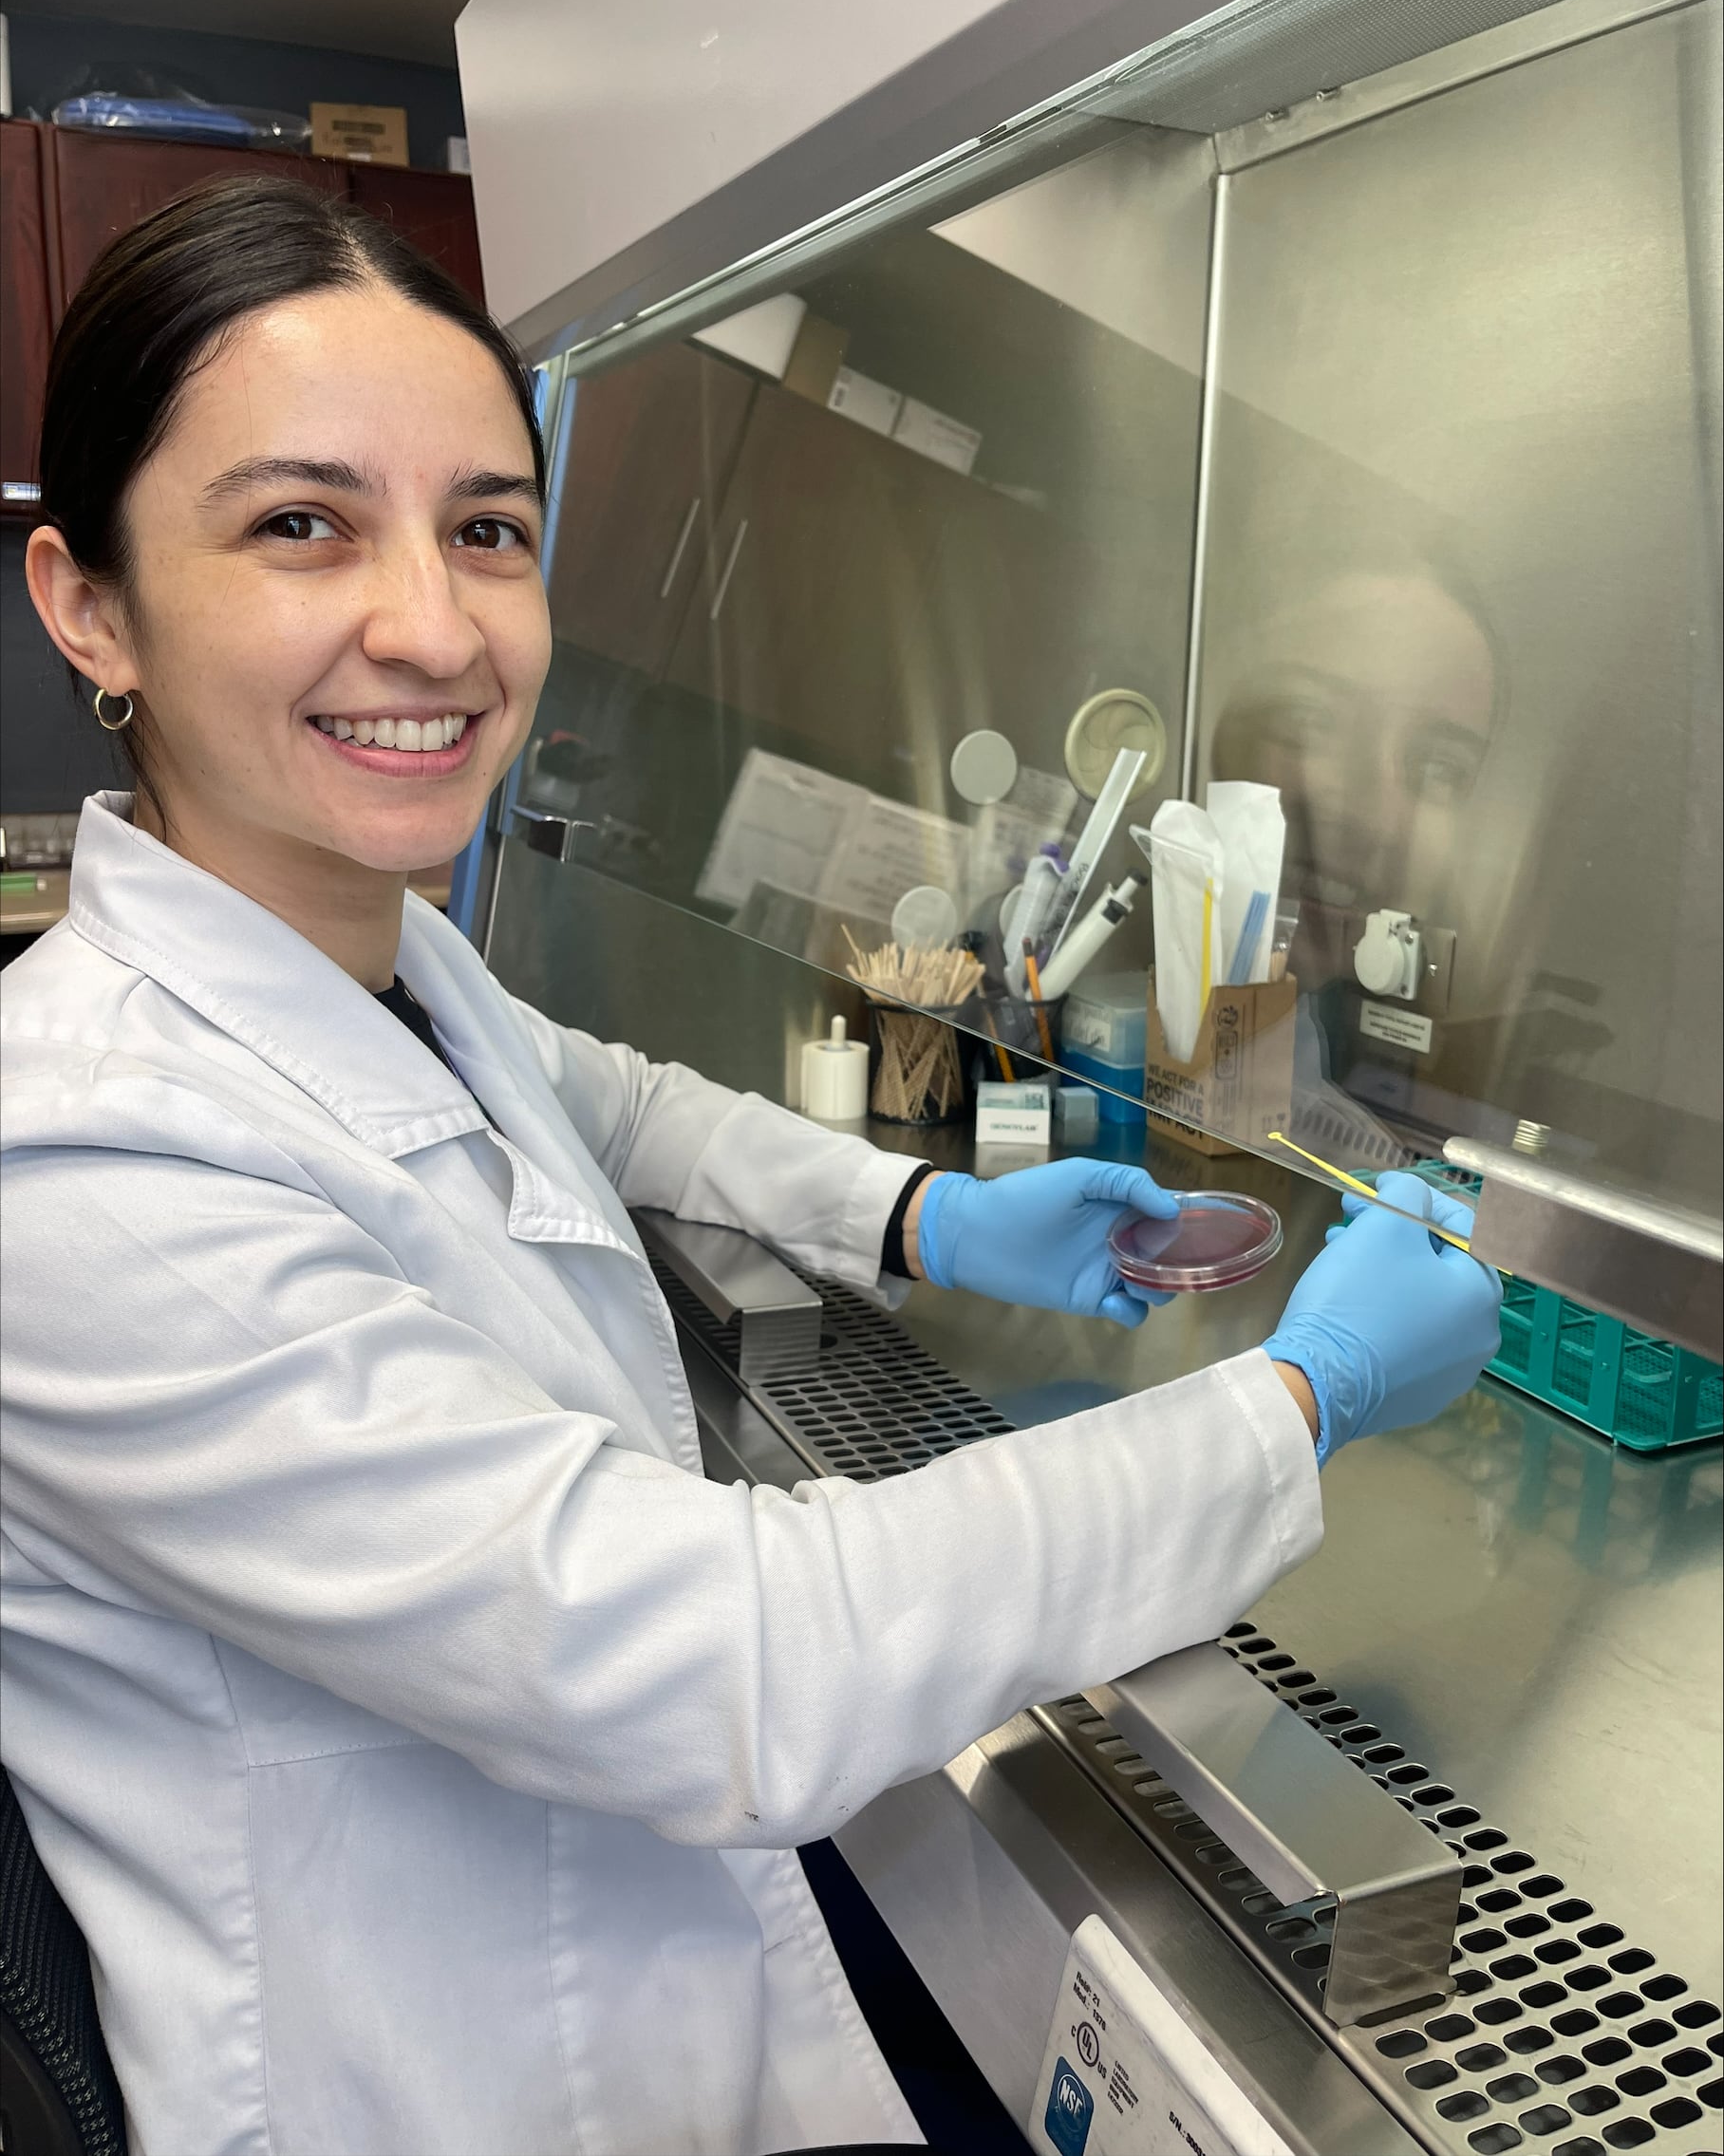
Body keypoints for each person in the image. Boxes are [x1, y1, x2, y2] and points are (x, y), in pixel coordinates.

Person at [0, 178, 1500, 2156]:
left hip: (626, 1984)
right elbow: (738, 1659)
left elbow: (603, 1098)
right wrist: (1293, 1400)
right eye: (301, 524)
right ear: (86, 597)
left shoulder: (379, 950)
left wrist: (919, 1210)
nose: (431, 624)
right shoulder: (81, 1158)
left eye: (485, 529)